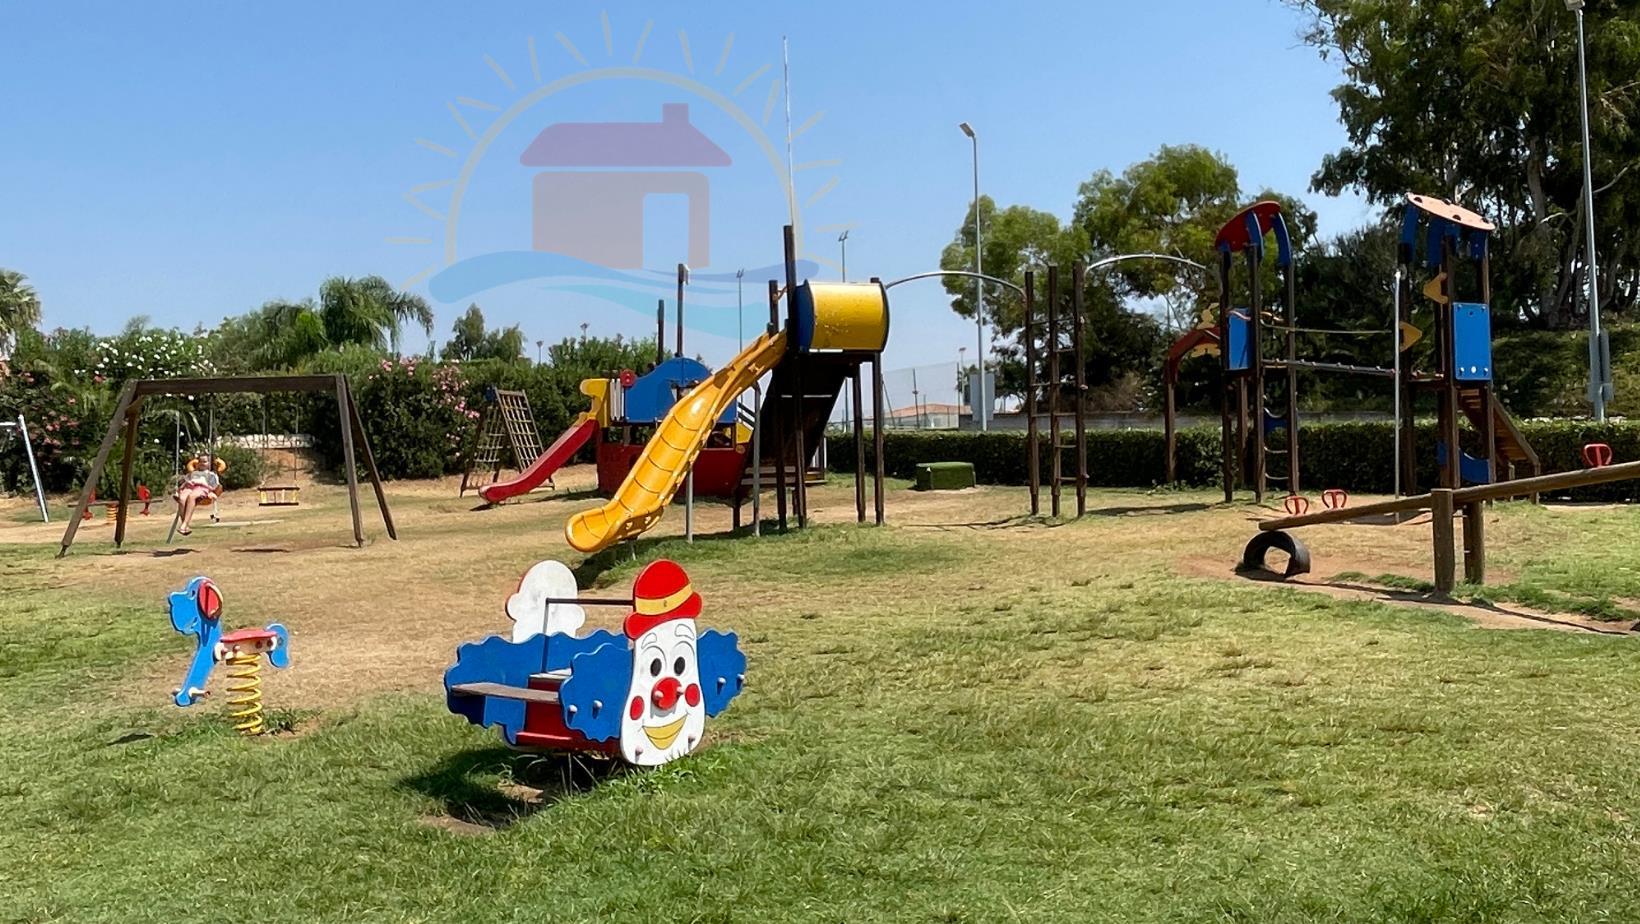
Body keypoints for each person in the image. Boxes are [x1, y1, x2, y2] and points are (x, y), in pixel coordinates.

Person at [173, 450, 221, 536]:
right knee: (182, 498)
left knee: (191, 497)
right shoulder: (193, 473)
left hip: (201, 488)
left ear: (209, 463)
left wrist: (211, 493)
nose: (202, 464)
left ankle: (184, 525)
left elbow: (215, 486)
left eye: (205, 462)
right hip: (189, 487)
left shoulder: (211, 474)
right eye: (200, 461)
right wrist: (180, 489)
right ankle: (185, 525)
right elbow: (186, 481)